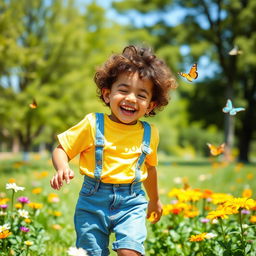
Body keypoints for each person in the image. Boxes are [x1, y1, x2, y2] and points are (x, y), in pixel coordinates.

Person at [50, 45, 176, 256]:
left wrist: (154, 200)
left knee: (130, 251)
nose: (131, 99)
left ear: (151, 106)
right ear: (108, 94)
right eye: (124, 90)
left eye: (141, 95)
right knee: (92, 253)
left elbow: (150, 169)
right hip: (92, 201)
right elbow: (61, 149)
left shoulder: (150, 133)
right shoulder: (92, 124)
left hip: (132, 201)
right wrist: (62, 167)